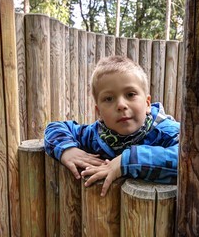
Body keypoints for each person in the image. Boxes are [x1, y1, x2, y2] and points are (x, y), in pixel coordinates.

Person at [44, 55, 180, 196]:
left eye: (130, 94)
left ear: (147, 104)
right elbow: (55, 127)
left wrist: (125, 161)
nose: (121, 105)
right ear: (99, 112)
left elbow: (186, 157)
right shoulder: (95, 136)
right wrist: (67, 150)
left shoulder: (167, 132)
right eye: (109, 99)